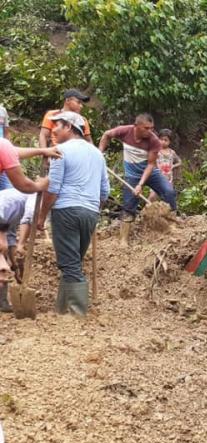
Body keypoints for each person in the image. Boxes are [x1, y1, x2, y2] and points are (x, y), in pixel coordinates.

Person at [37, 112, 109, 316]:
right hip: (90, 212)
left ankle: (78, 315)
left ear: (69, 127)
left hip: (66, 211)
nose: (53, 130)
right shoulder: (97, 154)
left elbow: (53, 188)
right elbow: (105, 191)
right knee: (72, 262)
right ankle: (61, 310)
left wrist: (42, 217)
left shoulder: (59, 150)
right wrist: (92, 208)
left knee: (69, 264)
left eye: (57, 126)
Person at [99, 114, 177, 241]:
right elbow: (107, 135)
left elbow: (151, 164)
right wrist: (99, 153)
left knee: (169, 191)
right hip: (132, 176)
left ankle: (173, 223)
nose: (150, 131)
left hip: (151, 173)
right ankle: (123, 239)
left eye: (152, 128)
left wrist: (140, 184)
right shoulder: (124, 131)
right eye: (146, 128)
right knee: (129, 206)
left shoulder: (154, 141)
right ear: (136, 126)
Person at [0, 189, 36, 312]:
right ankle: (3, 302)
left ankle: (2, 303)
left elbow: (9, 236)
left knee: (5, 264)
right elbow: (30, 216)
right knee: (3, 265)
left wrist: (15, 266)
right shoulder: (34, 194)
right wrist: (21, 244)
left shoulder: (13, 214)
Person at [149, 129, 181, 203]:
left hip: (168, 179)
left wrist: (173, 166)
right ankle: (148, 210)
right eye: (161, 139)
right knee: (152, 196)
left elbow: (179, 162)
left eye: (165, 140)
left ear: (170, 141)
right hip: (157, 177)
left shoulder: (172, 152)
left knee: (169, 196)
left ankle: (169, 212)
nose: (163, 142)